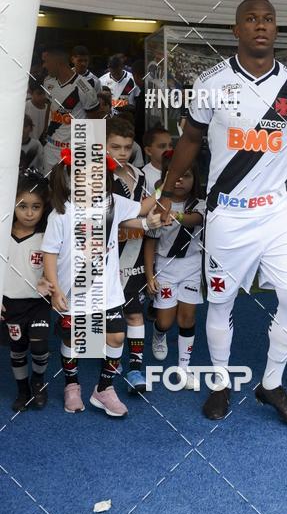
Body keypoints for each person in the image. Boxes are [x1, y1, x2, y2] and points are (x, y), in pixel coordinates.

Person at [159, 0, 287, 426]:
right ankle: (219, 383)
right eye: (250, 19)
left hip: (274, 212)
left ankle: (271, 383)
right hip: (228, 214)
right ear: (236, 30)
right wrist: (165, 192)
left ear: (276, 29)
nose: (260, 25)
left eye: (268, 19)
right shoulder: (211, 82)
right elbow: (191, 141)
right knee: (220, 302)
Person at [41, 148, 164, 416]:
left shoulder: (112, 202)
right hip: (72, 291)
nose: (92, 178)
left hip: (107, 291)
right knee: (75, 340)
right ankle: (71, 385)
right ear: (70, 176)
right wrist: (55, 288)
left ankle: (104, 388)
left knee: (117, 336)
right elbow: (49, 252)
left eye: (98, 173)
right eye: (84, 173)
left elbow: (141, 210)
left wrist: (162, 190)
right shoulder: (60, 213)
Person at [144, 152, 204, 390]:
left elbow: (195, 219)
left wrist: (176, 215)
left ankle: (184, 368)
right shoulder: (157, 206)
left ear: (194, 178)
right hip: (165, 268)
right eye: (174, 176)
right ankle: (158, 334)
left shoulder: (200, 203)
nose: (179, 181)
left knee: (187, 317)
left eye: (185, 176)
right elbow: (150, 241)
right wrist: (150, 275)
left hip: (191, 266)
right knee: (166, 321)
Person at [106, 117, 156, 393]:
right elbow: (113, 218)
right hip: (109, 255)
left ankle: (136, 367)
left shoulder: (141, 175)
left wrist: (157, 217)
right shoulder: (98, 178)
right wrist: (148, 220)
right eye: (115, 147)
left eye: (127, 147)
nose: (122, 153)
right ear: (102, 146)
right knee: (110, 315)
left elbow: (146, 209)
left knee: (135, 314)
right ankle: (111, 360)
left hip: (135, 251)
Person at [2, 173, 52, 412]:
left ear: (44, 208)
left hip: (38, 302)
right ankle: (22, 390)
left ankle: (38, 381)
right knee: (18, 348)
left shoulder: (47, 237)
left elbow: (58, 267)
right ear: (12, 204)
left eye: (36, 207)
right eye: (23, 206)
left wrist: (49, 280)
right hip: (11, 304)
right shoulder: (2, 235)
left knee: (40, 346)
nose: (29, 213)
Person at [41, 47, 101, 172]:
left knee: (71, 189)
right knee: (50, 188)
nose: (44, 66)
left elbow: (96, 122)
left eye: (46, 61)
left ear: (57, 63)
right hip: (50, 148)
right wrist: (45, 131)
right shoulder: (48, 82)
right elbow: (49, 107)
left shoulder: (85, 88)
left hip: (74, 151)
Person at [142, 124, 173, 194]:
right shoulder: (144, 176)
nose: (168, 149)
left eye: (170, 145)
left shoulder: (179, 169)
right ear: (148, 151)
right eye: (162, 146)